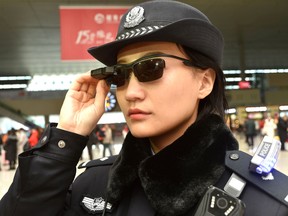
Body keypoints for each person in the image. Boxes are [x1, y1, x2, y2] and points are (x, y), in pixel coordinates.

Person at [0, 1, 288, 215]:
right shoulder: (94, 184)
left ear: (204, 82)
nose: (131, 93)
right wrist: (64, 140)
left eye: (151, 68)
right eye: (120, 75)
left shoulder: (267, 202)